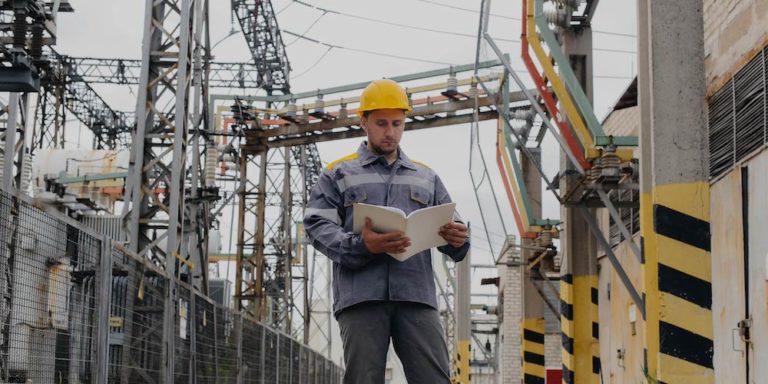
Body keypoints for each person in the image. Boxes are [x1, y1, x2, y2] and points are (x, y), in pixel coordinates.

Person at [303, 78, 470, 383]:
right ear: (363, 122)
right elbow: (316, 225)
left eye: (397, 123)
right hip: (361, 296)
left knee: (434, 379)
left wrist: (458, 239)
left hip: (415, 295)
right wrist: (360, 245)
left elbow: (452, 226)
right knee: (363, 379)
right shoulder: (338, 172)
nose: (390, 132)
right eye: (381, 123)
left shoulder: (426, 177)